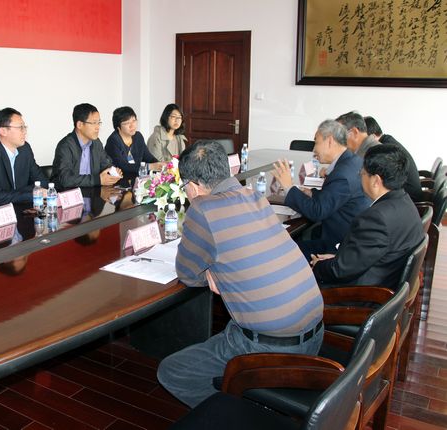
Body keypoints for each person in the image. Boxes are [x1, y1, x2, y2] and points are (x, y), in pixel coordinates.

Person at [157, 141, 324, 408]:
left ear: (194, 186)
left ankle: (236, 411)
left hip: (271, 349)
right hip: (316, 333)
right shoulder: (255, 197)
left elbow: (187, 274)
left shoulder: (202, 208)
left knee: (172, 372)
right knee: (232, 326)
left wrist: (209, 273)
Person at [312, 145, 425, 290]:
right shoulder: (405, 201)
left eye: (362, 173)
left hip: (362, 294)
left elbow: (339, 271)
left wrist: (318, 266)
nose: (360, 177)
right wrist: (337, 259)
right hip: (384, 280)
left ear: (376, 181)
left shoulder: (377, 219)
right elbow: (362, 257)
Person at [273, 120, 371, 260]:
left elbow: (317, 211)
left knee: (281, 250)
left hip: (338, 247)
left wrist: (288, 187)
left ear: (329, 141)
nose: (314, 149)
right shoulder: (352, 161)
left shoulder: (342, 174)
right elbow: (335, 197)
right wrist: (312, 193)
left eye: (316, 142)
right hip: (347, 237)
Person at [0, 107, 48, 210]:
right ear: (3, 131)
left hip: (17, 208)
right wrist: (32, 193)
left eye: (24, 127)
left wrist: (16, 194)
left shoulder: (25, 149)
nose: (24, 131)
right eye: (20, 127)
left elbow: (43, 182)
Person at [51, 103, 123, 188]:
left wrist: (113, 171)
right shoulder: (65, 146)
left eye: (99, 123)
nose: (98, 127)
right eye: (94, 123)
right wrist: (97, 180)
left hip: (92, 192)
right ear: (79, 125)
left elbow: (106, 164)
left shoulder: (96, 143)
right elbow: (66, 179)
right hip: (68, 193)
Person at [364, 115, 423, 202]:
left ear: (372, 136)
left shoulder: (385, 150)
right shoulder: (388, 141)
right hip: (407, 196)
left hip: (409, 199)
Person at [105, 106, 164, 174]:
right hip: (120, 179)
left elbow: (149, 158)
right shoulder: (113, 141)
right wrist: (149, 167)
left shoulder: (138, 136)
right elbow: (122, 166)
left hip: (137, 178)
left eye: (134, 120)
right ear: (118, 127)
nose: (132, 125)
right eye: (127, 123)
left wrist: (160, 165)